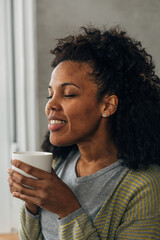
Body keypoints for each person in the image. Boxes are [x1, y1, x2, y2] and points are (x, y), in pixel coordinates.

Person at [8, 26, 160, 240]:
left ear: (108, 105)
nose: (50, 105)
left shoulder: (144, 187)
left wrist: (68, 209)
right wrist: (32, 203)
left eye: (68, 94)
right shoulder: (58, 164)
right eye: (50, 94)